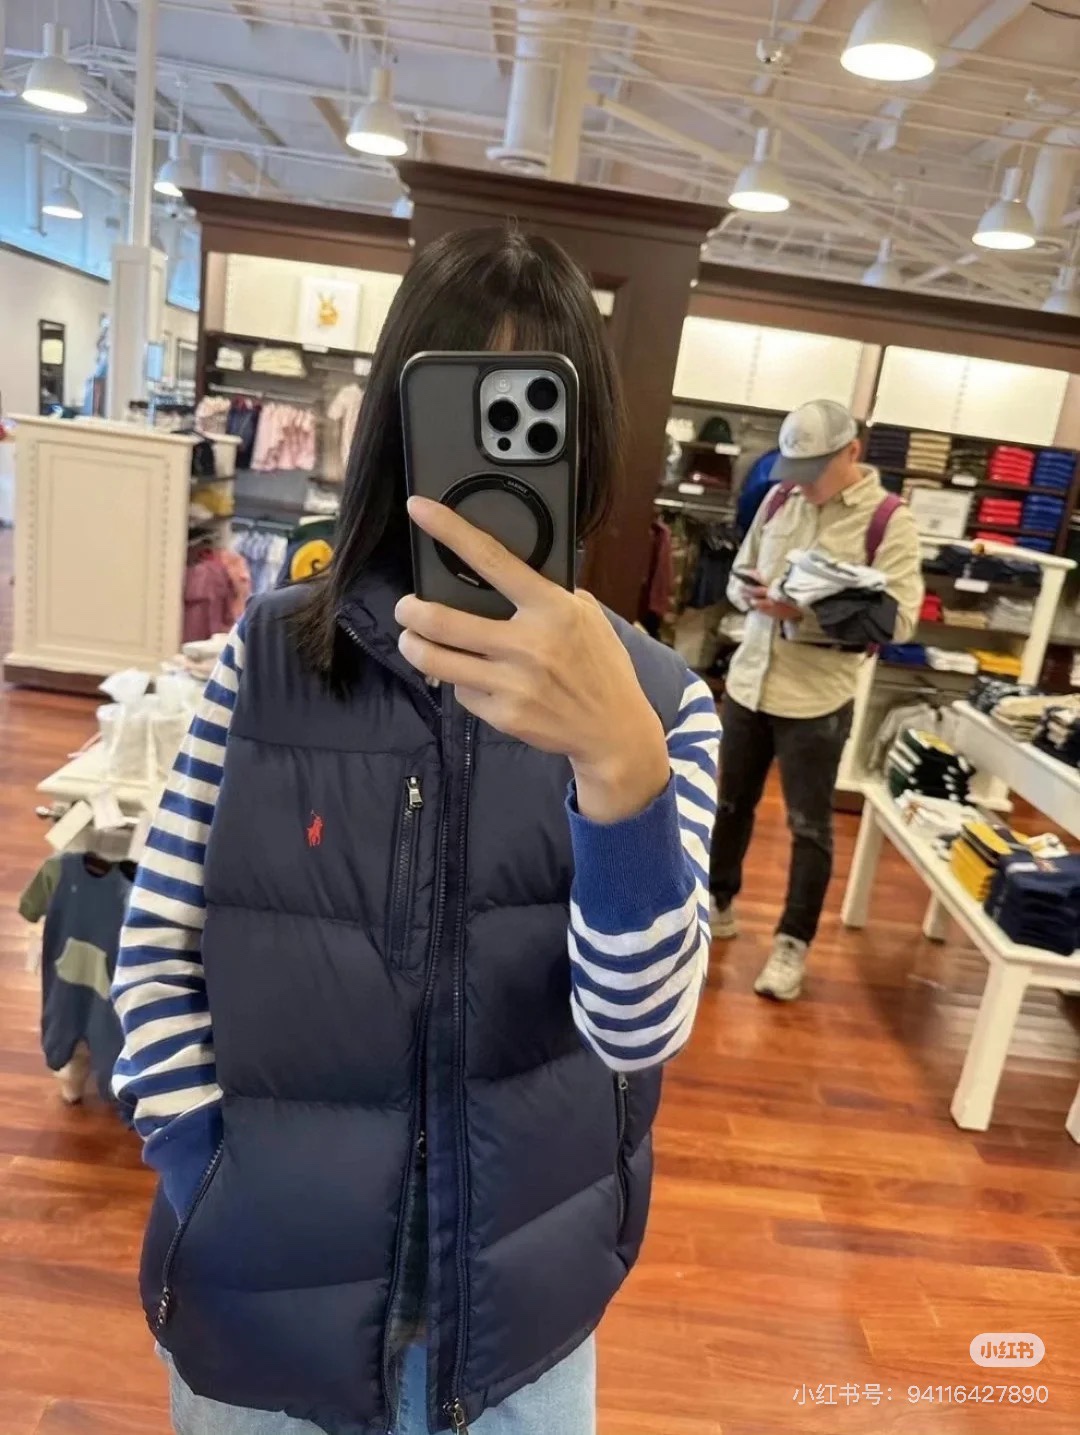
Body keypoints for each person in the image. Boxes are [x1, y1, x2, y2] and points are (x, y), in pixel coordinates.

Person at [112, 226, 720, 1435]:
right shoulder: (274, 656)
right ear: (399, 426)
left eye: (532, 417)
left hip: (522, 1314)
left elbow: (638, 1028)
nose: (491, 467)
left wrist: (619, 768)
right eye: (460, 414)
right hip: (264, 1284)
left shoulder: (657, 705)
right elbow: (156, 949)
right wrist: (206, 1164)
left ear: (584, 440)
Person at [709, 399, 922, 1002]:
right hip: (750, 681)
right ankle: (718, 902)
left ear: (852, 452)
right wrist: (751, 596)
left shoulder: (888, 521)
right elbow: (740, 570)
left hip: (818, 697)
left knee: (809, 827)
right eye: (794, 470)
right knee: (729, 804)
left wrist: (803, 613)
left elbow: (900, 620)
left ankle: (791, 945)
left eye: (813, 470)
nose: (801, 483)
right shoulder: (780, 499)